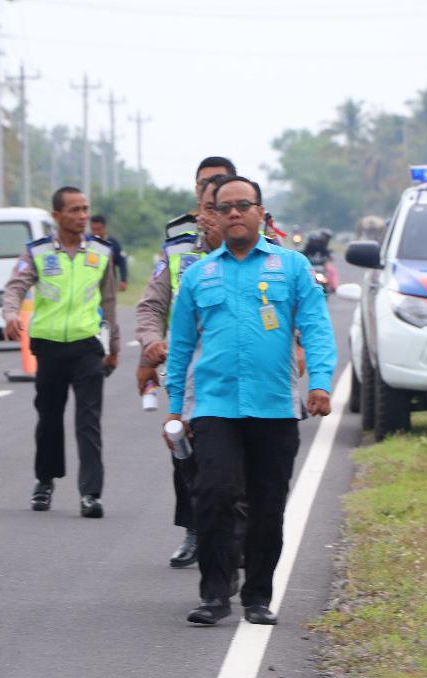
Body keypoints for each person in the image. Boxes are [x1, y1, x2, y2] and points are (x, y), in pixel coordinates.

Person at [165, 175, 337, 626]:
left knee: (267, 506)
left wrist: (319, 382)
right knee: (213, 495)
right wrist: (174, 409)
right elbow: (180, 345)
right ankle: (215, 595)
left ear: (262, 213)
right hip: (215, 408)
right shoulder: (199, 274)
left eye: (244, 205)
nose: (235, 213)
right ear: (215, 218)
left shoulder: (292, 267)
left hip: (274, 407)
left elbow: (316, 327)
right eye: (226, 207)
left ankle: (258, 597)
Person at [136, 156, 236, 568]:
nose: (210, 196)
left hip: (240, 368)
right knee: (184, 453)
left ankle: (237, 537)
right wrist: (151, 342)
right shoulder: (177, 245)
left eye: (219, 185)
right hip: (185, 369)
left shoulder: (259, 240)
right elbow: (151, 305)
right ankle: (195, 531)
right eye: (204, 187)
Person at [3, 186, 120, 518]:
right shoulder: (38, 252)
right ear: (57, 216)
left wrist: (112, 347)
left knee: (88, 421)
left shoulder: (101, 252)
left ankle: (91, 494)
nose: (82, 216)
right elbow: (16, 287)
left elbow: (109, 302)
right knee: (49, 419)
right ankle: (45, 480)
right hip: (50, 346)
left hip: (87, 345)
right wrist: (11, 313)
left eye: (85, 209)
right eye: (74, 210)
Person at [89, 215, 128, 292]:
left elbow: (122, 263)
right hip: (91, 284)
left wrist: (123, 280)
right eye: (93, 230)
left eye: (98, 229)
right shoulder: (87, 243)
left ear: (104, 228)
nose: (95, 233)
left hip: (109, 283)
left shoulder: (113, 244)